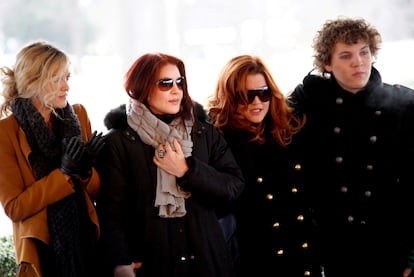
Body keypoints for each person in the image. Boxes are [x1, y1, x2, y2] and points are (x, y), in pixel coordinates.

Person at [94, 52, 245, 277]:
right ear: (142, 87)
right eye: (165, 83)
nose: (176, 90)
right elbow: (112, 214)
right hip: (151, 265)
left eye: (179, 82)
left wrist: (187, 171)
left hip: (207, 262)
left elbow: (233, 187)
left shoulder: (204, 133)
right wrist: (121, 263)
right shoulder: (118, 143)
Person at [287, 16, 414, 277]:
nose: (359, 62)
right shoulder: (308, 104)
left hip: (390, 246)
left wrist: (412, 253)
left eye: (364, 52)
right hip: (332, 248)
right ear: (327, 63)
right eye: (346, 55)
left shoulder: (404, 104)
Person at [207, 54, 322, 277]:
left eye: (263, 93)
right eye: (246, 96)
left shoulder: (288, 129)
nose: (257, 102)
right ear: (230, 97)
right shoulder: (217, 142)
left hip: (304, 258)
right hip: (256, 261)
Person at [0, 41, 105, 277]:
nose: (66, 86)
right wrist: (64, 173)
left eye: (67, 77)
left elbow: (97, 191)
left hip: (87, 242)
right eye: (57, 79)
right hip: (43, 253)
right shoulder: (5, 132)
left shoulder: (78, 115)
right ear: (32, 81)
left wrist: (86, 171)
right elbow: (15, 208)